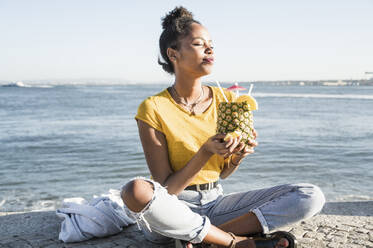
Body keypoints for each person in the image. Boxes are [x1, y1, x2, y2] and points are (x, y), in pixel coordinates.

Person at [121, 6, 325, 248]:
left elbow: (222, 173)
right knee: (135, 190)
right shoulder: (153, 108)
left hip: (214, 204)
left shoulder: (227, 100)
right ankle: (231, 242)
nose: (209, 49)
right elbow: (168, 190)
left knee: (310, 196)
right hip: (173, 211)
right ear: (173, 54)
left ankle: (205, 239)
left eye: (211, 44)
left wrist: (236, 157)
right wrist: (205, 151)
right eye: (198, 44)